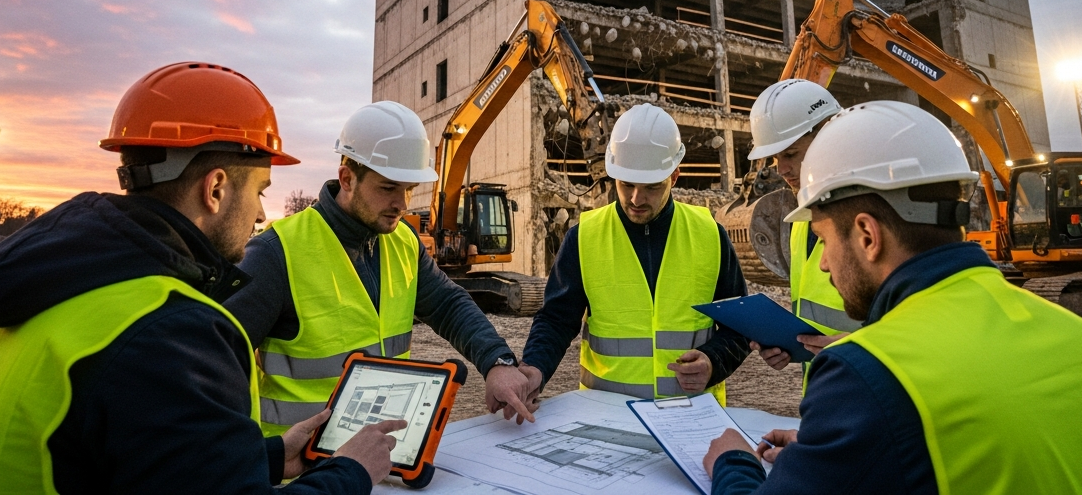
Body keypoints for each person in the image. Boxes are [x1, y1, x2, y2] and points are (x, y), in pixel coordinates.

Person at [0, 62, 400, 495]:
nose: (261, 214)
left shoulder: (53, 289)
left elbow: (134, 460)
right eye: (259, 191)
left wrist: (269, 457)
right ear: (215, 189)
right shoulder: (169, 332)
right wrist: (350, 473)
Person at [702, 101, 1082, 494]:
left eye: (825, 240)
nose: (823, 264)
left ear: (868, 235)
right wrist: (832, 453)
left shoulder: (869, 375)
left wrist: (733, 464)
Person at [227, 100, 537, 435]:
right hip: (300, 474)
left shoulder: (403, 241)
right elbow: (213, 362)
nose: (402, 205)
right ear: (347, 178)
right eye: (388, 188)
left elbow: (449, 305)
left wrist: (498, 362)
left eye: (408, 189)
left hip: (383, 459)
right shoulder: (276, 253)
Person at [520, 103, 749, 404]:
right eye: (626, 184)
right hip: (608, 418)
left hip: (692, 417)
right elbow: (556, 320)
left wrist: (713, 361)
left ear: (675, 175)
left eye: (651, 187)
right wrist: (534, 368)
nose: (636, 199)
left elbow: (740, 327)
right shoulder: (584, 236)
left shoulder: (709, 234)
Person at [743, 79, 850, 375]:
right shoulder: (801, 222)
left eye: (791, 154)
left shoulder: (873, 217)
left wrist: (860, 347)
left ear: (829, 135)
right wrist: (792, 348)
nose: (781, 169)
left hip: (873, 395)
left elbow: (923, 325)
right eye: (777, 157)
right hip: (823, 391)